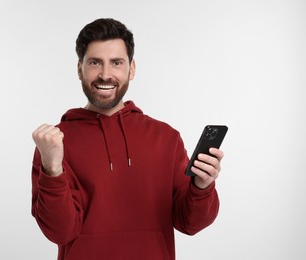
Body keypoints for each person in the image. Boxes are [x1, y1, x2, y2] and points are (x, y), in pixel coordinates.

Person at [31, 18, 224, 260]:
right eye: (94, 63)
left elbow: (190, 223)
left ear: (131, 69)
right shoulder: (55, 143)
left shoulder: (166, 138)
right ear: (79, 68)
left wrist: (202, 186)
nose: (105, 75)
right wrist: (52, 169)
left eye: (116, 63)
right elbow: (59, 231)